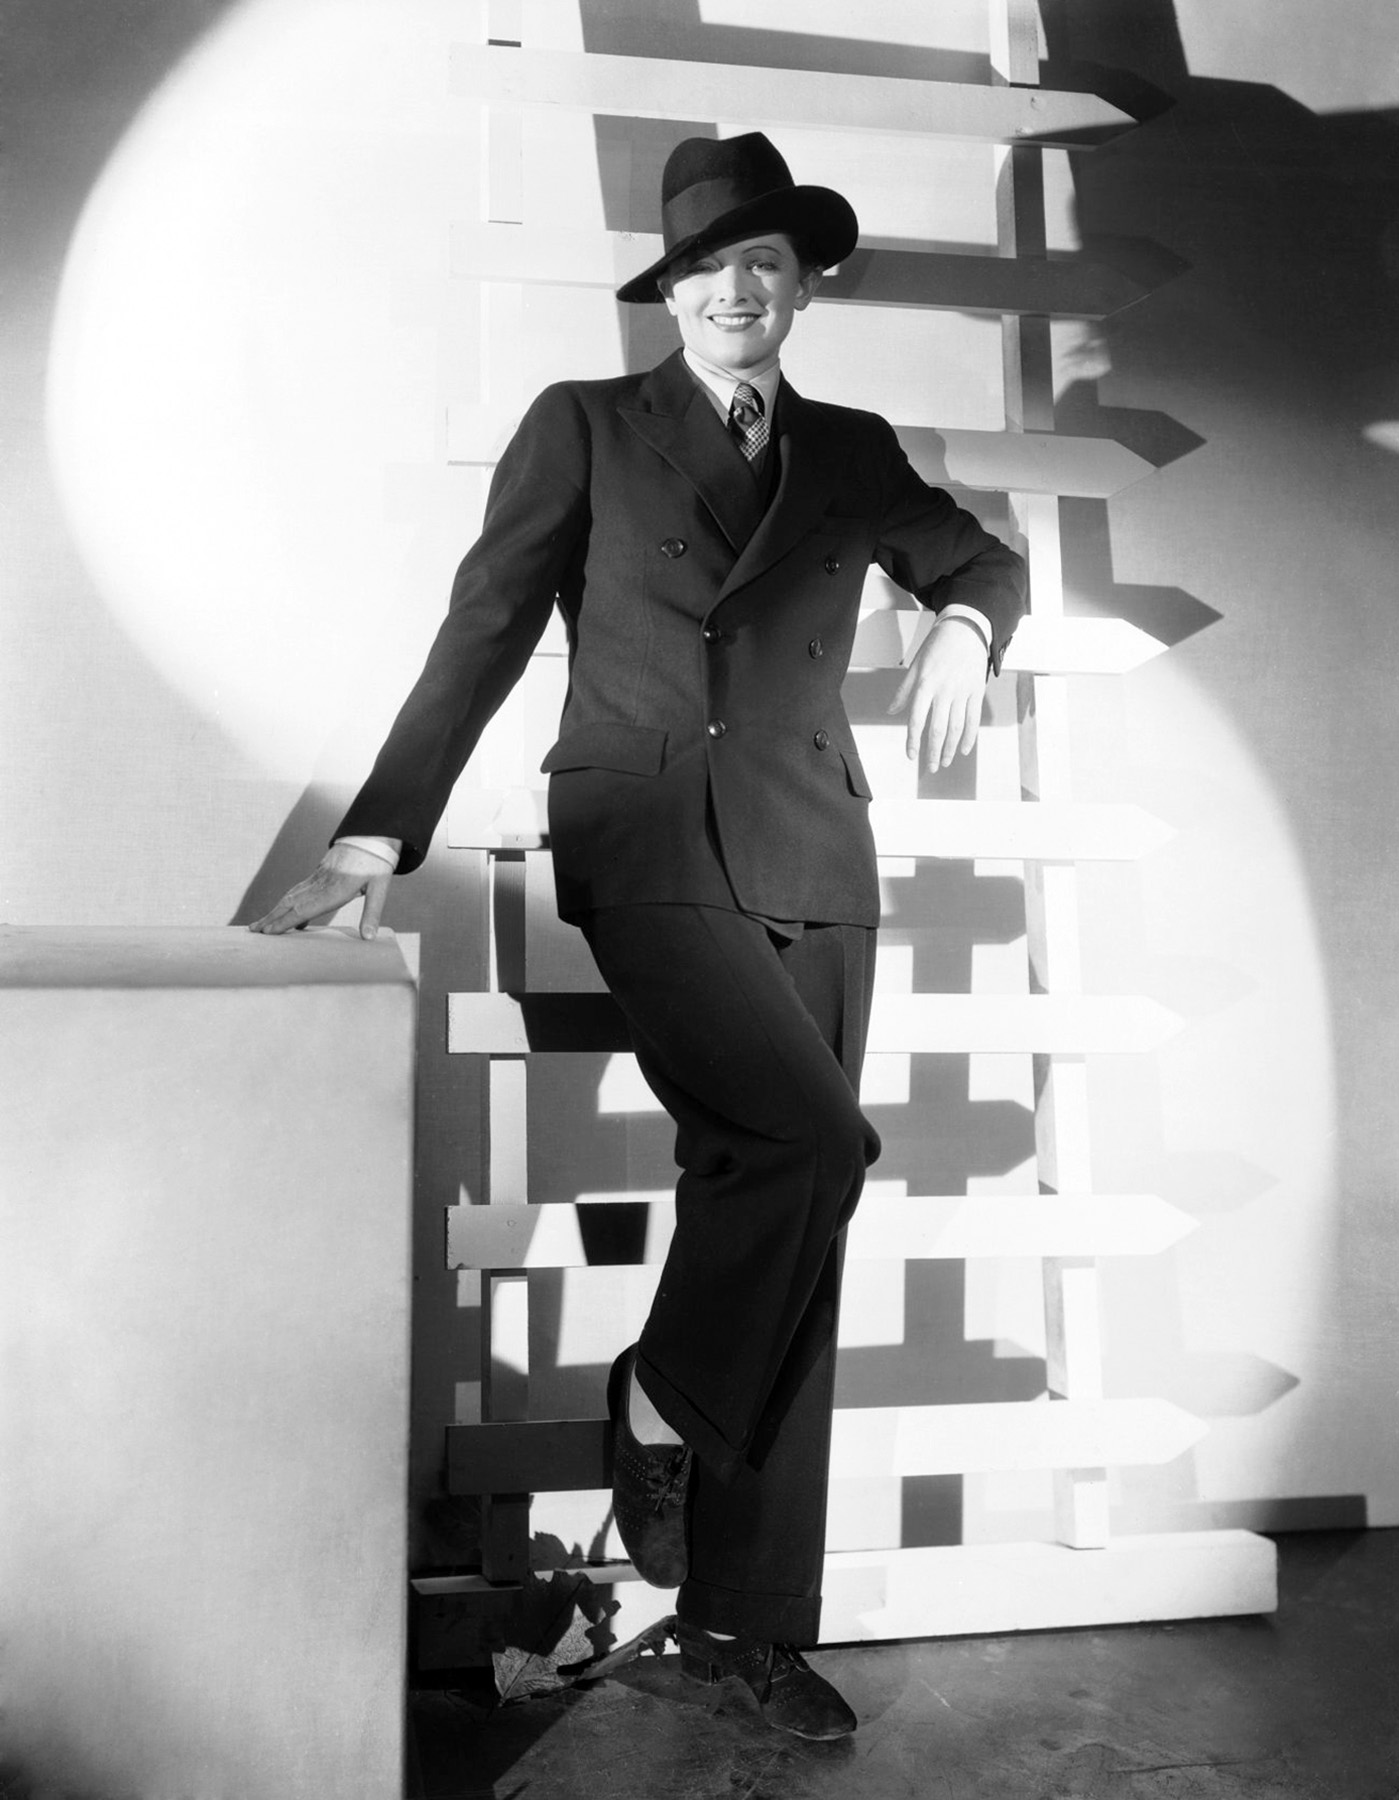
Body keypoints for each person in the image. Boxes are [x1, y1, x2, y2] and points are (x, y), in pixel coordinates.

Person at [252, 132, 1026, 1740]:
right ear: (670, 293)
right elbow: (483, 627)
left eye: (768, 264)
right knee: (813, 1143)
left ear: (801, 290)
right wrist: (379, 831)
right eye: (709, 267)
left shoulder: (852, 449)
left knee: (792, 1221)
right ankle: (660, 1396)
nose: (739, 290)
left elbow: (983, 556)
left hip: (816, 850)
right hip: (647, 837)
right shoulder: (586, 427)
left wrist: (965, 618)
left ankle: (744, 1625)